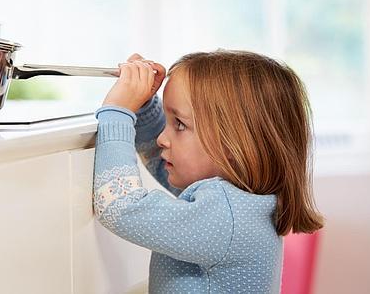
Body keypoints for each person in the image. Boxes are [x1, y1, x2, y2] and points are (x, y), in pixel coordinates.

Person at [93, 49, 324, 293]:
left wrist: (117, 112)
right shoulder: (242, 204)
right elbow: (166, 162)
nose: (162, 138)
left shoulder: (226, 217)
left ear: (235, 145)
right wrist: (146, 108)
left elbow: (120, 207)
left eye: (179, 124)